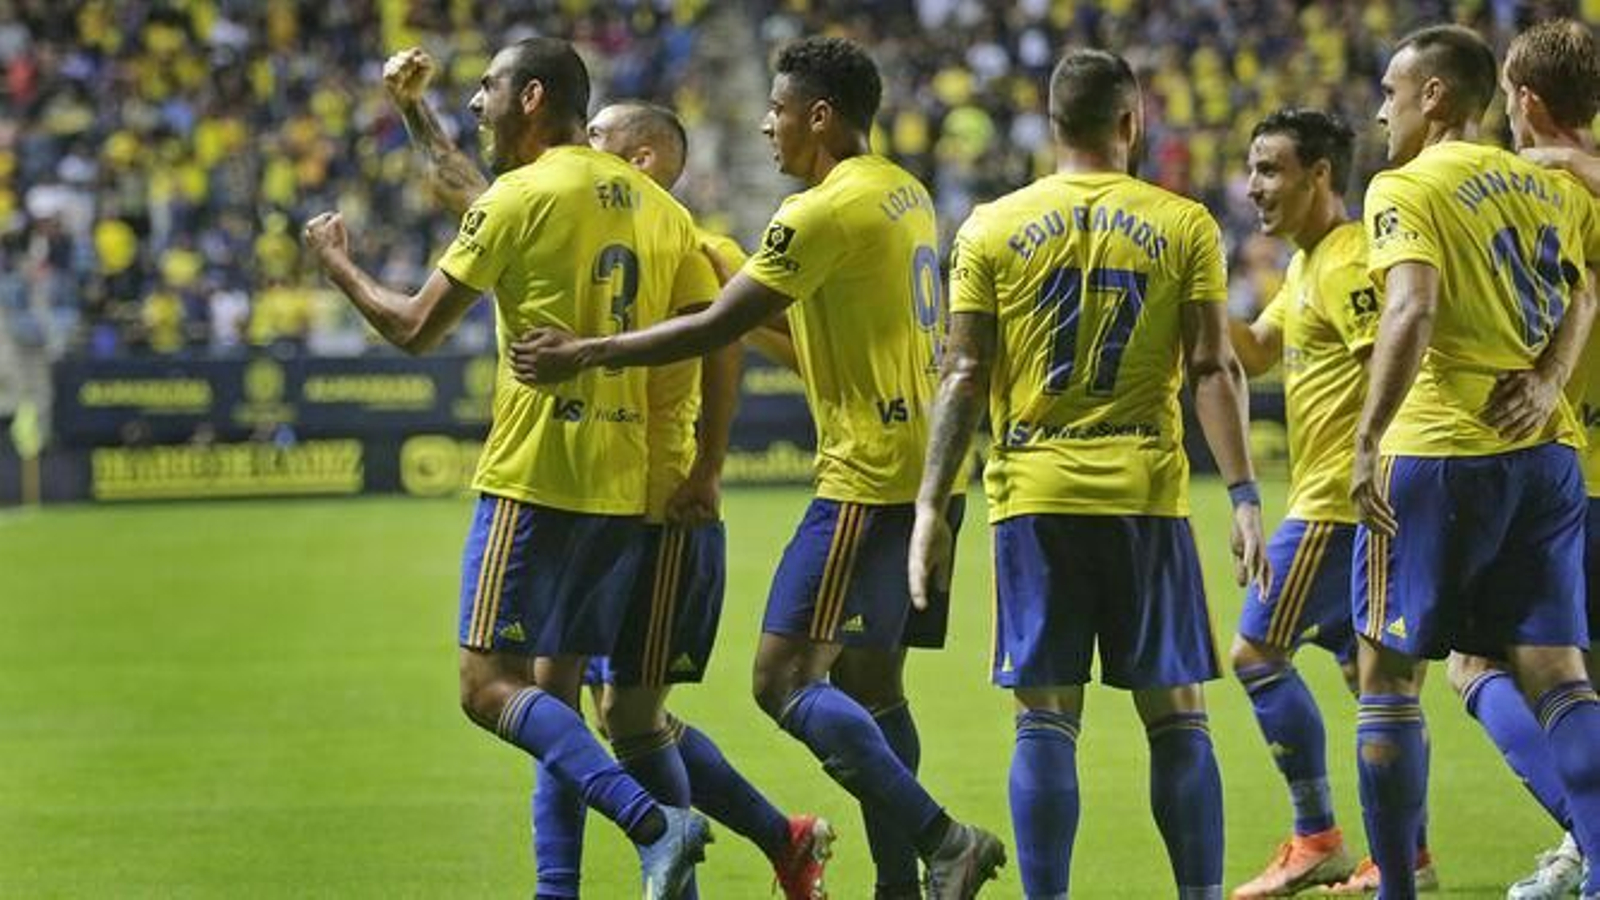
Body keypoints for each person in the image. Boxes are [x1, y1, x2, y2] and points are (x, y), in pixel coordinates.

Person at [510, 35, 1006, 900]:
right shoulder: (904, 192)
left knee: (781, 680)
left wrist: (586, 350)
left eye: (778, 111)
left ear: (818, 115)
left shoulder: (814, 215)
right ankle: (902, 886)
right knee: (874, 683)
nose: (767, 128)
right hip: (928, 471)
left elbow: (714, 329)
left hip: (863, 474)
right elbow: (790, 330)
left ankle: (942, 839)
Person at [380, 49, 833, 900]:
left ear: (642, 159)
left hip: (661, 504)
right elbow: (469, 190)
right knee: (583, 708)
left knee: (621, 719)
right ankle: (771, 839)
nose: (576, 149)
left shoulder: (690, 240)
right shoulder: (572, 211)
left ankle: (747, 842)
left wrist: (705, 468)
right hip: (614, 491)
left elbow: (727, 351)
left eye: (595, 137)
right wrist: (416, 112)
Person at [303, 37, 716, 900]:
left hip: (534, 475)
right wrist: (413, 112)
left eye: (486, 90)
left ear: (532, 97)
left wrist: (337, 262)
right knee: (553, 697)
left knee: (486, 686)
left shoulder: (523, 197)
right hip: (619, 486)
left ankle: (654, 824)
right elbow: (708, 341)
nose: (475, 104)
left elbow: (416, 328)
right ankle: (559, 890)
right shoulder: (660, 209)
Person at [907, 47, 1267, 900]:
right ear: (1130, 121)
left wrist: (931, 504)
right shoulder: (1184, 224)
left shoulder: (991, 226)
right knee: (1178, 717)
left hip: (1034, 498)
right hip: (1147, 497)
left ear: (1051, 123)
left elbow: (962, 372)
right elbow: (1214, 368)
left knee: (1045, 718)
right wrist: (1245, 494)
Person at [1351, 23, 1600, 900]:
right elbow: (1584, 290)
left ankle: (1397, 890)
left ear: (1435, 96)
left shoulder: (1405, 186)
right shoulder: (1545, 185)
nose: (1380, 109)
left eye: (1390, 90)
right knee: (1556, 668)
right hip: (1547, 456)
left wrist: (1367, 433)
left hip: (1441, 451)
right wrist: (1547, 377)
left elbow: (1411, 308)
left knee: (1388, 676)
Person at [1437, 20, 1600, 900]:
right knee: (1578, 685)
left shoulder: (1532, 189)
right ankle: (1586, 855)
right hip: (1572, 471)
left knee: (1479, 664)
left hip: (1563, 474)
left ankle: (1593, 839)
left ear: (1526, 99)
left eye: (1507, 96)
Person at [1223, 108, 1392, 899]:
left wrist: (1370, 467)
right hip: (1339, 503)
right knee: (1369, 679)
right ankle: (1403, 854)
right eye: (1253, 170)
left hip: (1337, 504)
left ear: (1320, 174)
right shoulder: (1307, 265)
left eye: (1271, 169)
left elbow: (1389, 359)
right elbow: (1255, 350)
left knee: (1255, 653)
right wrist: (1190, 303)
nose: (1255, 186)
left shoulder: (1351, 259)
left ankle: (1316, 834)